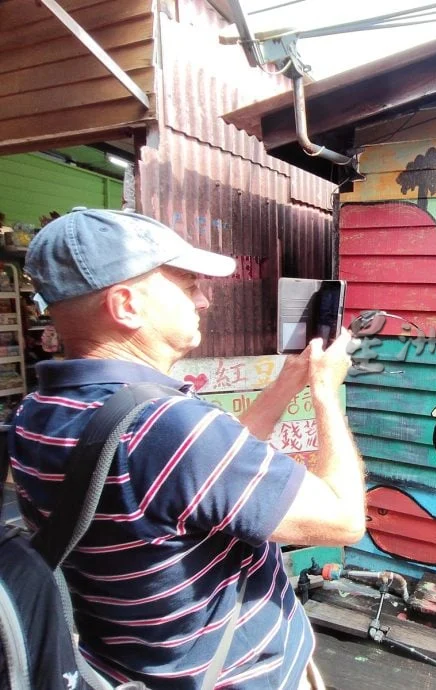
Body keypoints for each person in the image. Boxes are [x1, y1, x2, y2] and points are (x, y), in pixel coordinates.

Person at [7, 209, 366, 689]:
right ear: (126, 305)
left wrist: (288, 383)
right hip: (238, 678)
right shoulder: (170, 428)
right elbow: (344, 519)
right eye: (187, 284)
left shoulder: (35, 413)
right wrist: (325, 392)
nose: (204, 298)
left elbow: (196, 480)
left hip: (126, 670)